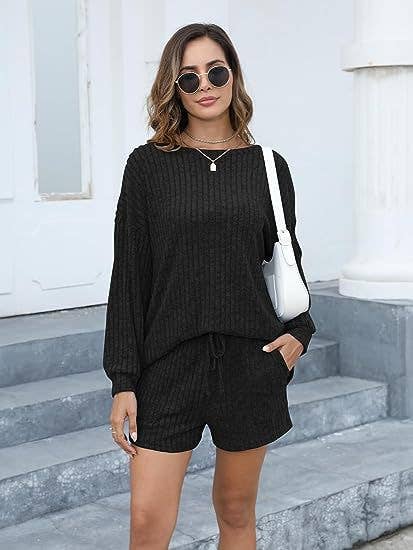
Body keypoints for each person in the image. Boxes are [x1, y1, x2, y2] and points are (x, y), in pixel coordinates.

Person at [103, 22, 316, 550]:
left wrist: (300, 333)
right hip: (168, 366)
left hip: (250, 363)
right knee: (147, 523)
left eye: (216, 72)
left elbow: (286, 259)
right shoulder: (147, 166)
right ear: (173, 87)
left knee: (237, 513)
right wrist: (123, 379)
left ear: (233, 75)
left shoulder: (268, 167)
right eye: (189, 76)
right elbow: (129, 276)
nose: (205, 85)